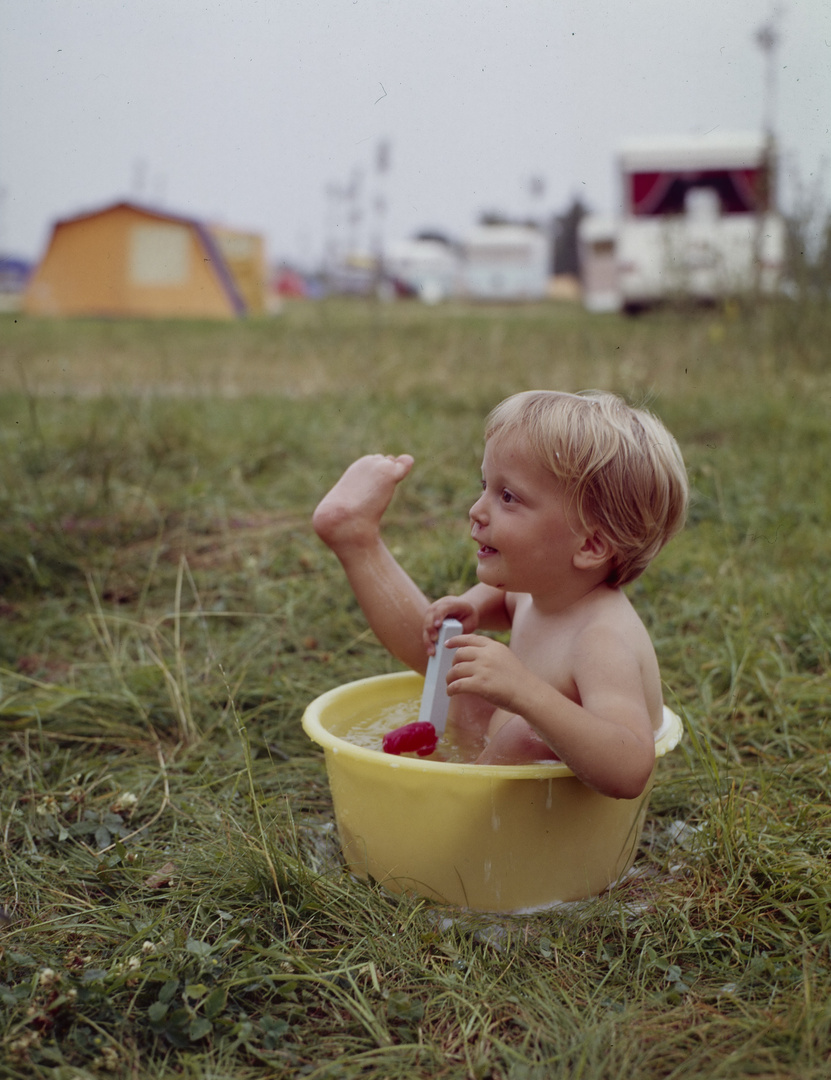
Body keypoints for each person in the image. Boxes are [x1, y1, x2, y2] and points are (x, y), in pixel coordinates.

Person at [312, 390, 688, 799]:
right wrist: (472, 605)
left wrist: (525, 692)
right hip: (507, 778)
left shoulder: (600, 642)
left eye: (508, 497)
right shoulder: (538, 593)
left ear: (590, 547)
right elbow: (506, 602)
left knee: (520, 734)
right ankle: (356, 539)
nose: (476, 509)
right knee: (456, 665)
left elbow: (630, 767)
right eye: (485, 486)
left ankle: (458, 806)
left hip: (558, 824)